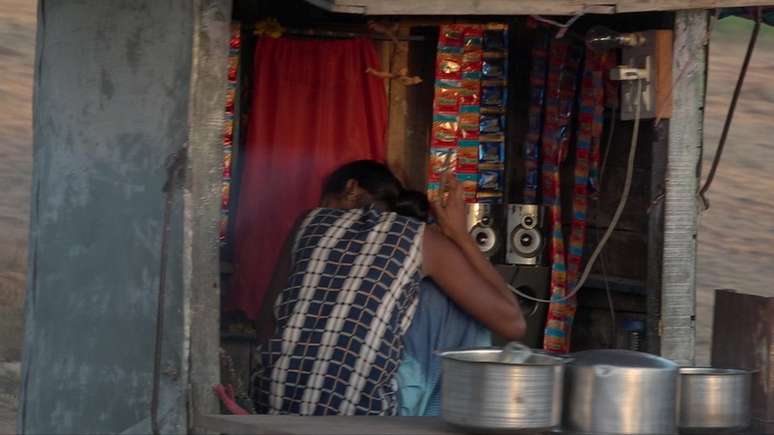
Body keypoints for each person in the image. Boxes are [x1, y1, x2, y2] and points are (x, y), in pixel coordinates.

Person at [252, 160, 525, 416]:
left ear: (351, 188)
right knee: (449, 303)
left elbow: (267, 321)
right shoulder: (421, 239)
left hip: (272, 403)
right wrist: (459, 235)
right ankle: (439, 417)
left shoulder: (308, 220)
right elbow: (513, 324)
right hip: (363, 415)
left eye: (325, 202)